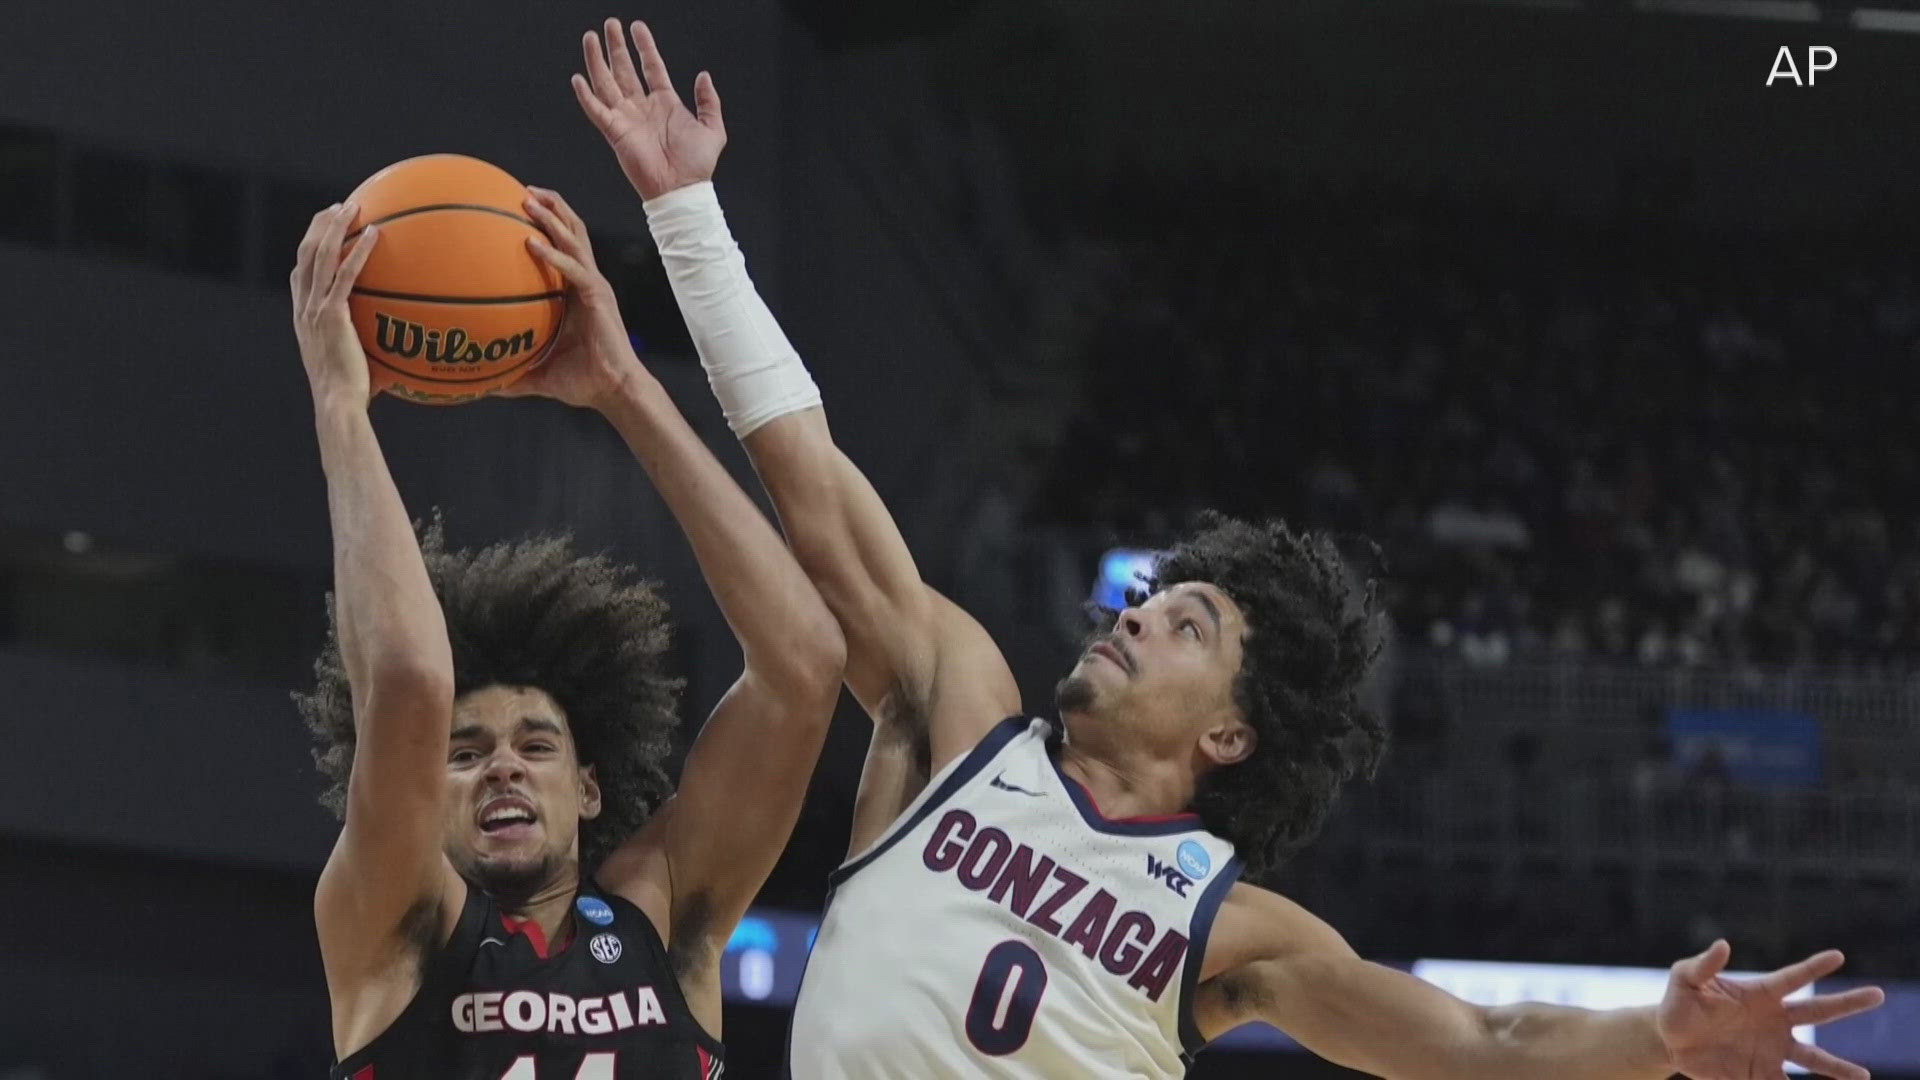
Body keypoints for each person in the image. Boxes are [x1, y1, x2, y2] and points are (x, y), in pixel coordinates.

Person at [569, 19, 1885, 1079]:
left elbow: (1482, 1042)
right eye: (1152, 598)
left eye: (1185, 625)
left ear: (1232, 737)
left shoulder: (1229, 925)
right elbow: (814, 489)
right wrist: (688, 218)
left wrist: (1657, 1042)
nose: (1136, 614)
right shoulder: (955, 722)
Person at [288, 177, 844, 1079]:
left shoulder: (664, 916)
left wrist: (623, 384)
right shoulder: (392, 923)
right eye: (463, 754)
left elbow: (805, 666)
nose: (502, 764)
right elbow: (409, 684)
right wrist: (341, 410)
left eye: (536, 745)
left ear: (589, 789)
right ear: (422, 798)